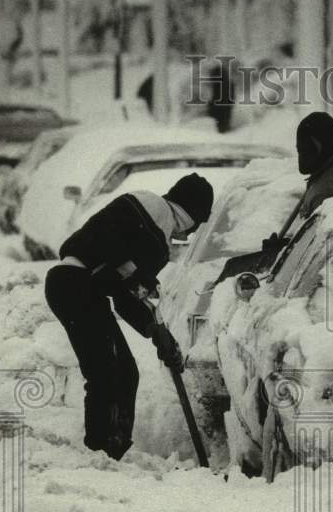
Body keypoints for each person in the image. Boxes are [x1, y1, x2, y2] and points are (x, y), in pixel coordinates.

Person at [44, 173, 214, 460]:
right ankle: (102, 449)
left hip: (79, 287)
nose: (192, 233)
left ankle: (114, 448)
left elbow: (123, 295)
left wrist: (155, 330)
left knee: (124, 372)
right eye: (197, 224)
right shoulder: (155, 210)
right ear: (193, 216)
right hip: (75, 284)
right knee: (106, 373)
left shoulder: (154, 226)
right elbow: (123, 268)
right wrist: (140, 279)